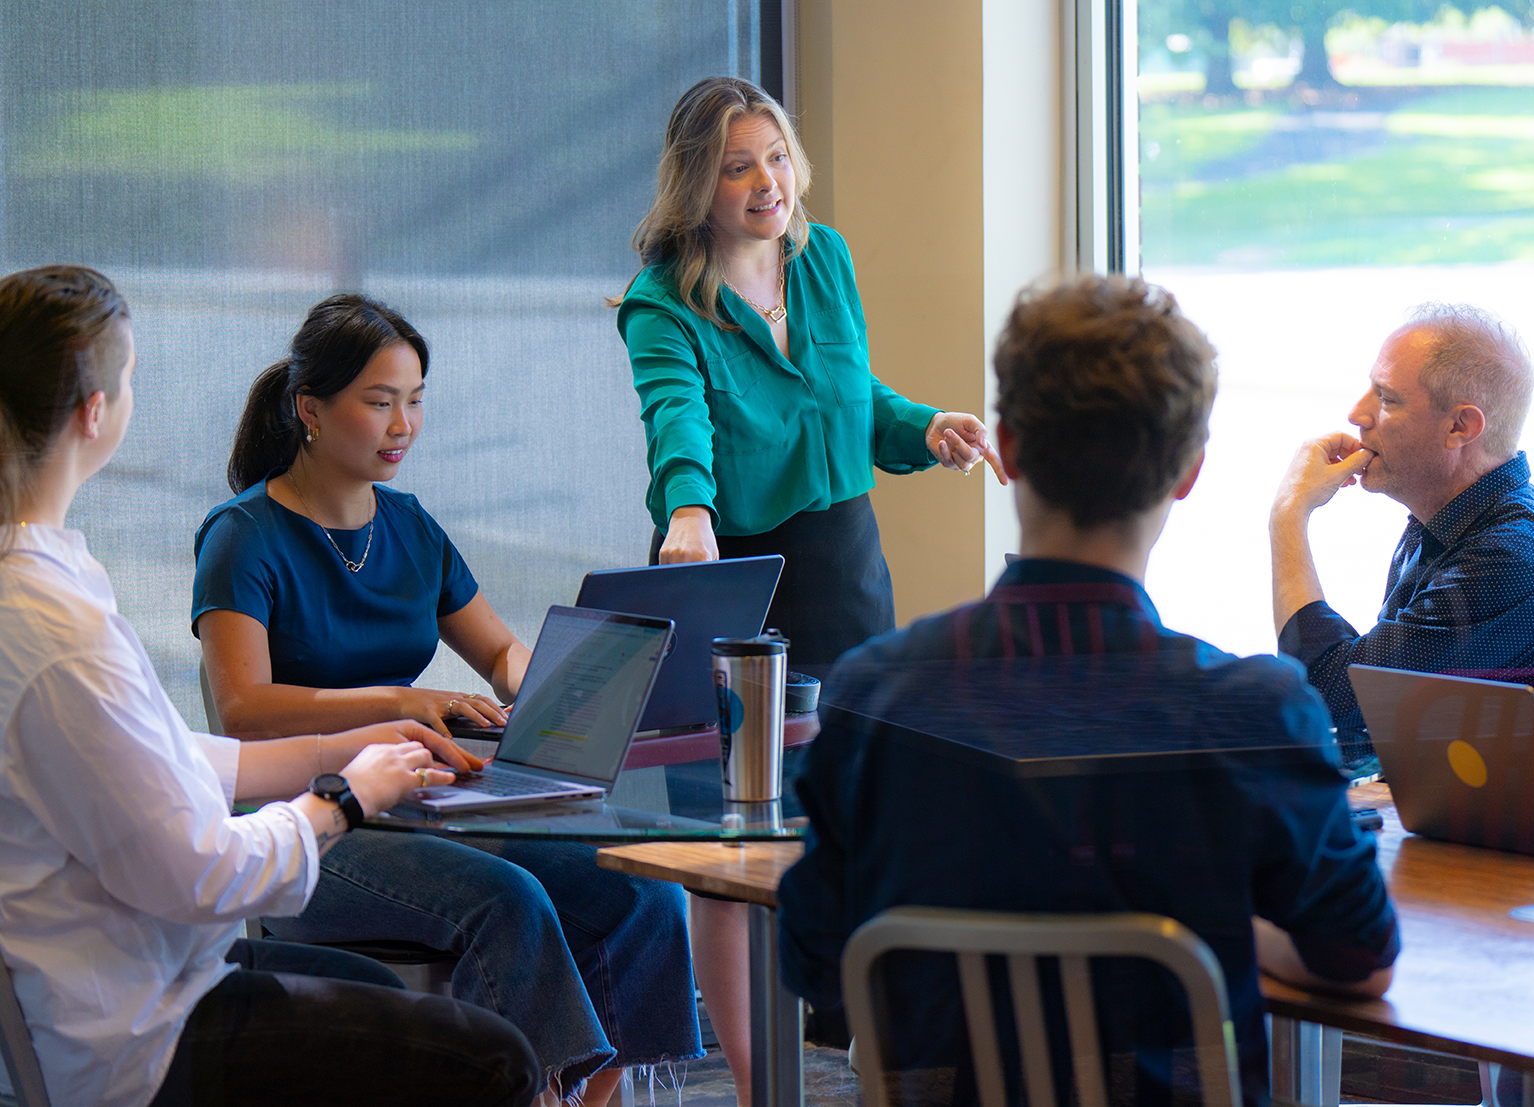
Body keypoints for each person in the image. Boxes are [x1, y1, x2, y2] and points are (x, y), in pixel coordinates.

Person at [778, 276, 1399, 1107]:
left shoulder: (872, 695)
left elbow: (815, 954)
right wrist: (1207, 925)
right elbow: (1361, 955)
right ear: (1188, 473)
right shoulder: (1256, 708)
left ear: (1010, 448)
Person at [0, 265, 538, 1107]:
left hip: (153, 971)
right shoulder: (62, 623)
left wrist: (342, 751)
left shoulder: (47, 584)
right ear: (94, 411)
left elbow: (164, 755)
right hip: (139, 1028)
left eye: (414, 398)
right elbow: (199, 871)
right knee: (490, 1059)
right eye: (132, 376)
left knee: (387, 999)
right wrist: (343, 799)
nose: (403, 423)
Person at [191, 294, 700, 1107]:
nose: (404, 424)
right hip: (314, 823)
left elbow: (498, 651)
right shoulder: (242, 535)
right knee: (509, 899)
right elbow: (242, 711)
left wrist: (567, 692)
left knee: (641, 889)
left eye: (416, 400)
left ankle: (585, 1096)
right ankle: (521, 1092)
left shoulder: (411, 526)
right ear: (310, 410)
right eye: (380, 401)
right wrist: (399, 699)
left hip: (430, 804)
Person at [613, 75, 1005, 1091]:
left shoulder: (823, 260)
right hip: (736, 582)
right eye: (737, 165)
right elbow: (677, 420)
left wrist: (922, 427)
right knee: (731, 852)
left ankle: (865, 1054)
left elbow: (847, 394)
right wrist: (688, 511)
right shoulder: (663, 303)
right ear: (697, 182)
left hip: (845, 570)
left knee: (857, 819)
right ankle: (758, 1084)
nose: (765, 182)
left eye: (776, 157)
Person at [1269, 303, 1534, 783]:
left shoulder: (1510, 557)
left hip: (1519, 850)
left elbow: (1331, 700)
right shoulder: (1449, 522)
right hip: (1463, 820)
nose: (1357, 414)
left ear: (1461, 427)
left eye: (1386, 398)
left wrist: (1288, 516)